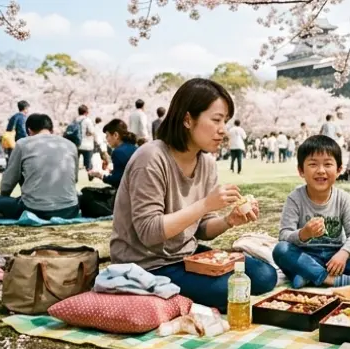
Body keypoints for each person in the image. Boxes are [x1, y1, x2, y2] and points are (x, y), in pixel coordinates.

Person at [110, 78, 276, 312]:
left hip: (186, 257)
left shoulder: (206, 163)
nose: (223, 130)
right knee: (226, 291)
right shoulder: (150, 158)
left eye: (225, 121)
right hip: (147, 264)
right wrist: (205, 204)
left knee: (264, 274)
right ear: (188, 119)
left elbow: (201, 228)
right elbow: (149, 232)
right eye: (216, 120)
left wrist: (229, 220)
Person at [272, 135, 350, 289]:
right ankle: (330, 279)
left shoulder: (343, 198)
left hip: (335, 258)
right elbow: (284, 235)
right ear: (301, 170)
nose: (320, 171)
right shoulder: (295, 198)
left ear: (338, 170)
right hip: (305, 256)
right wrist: (303, 234)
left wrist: (343, 254)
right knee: (281, 250)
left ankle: (309, 276)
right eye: (313, 164)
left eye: (327, 164)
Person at [0, 113, 81, 220]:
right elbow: (74, 179)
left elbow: (8, 182)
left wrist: (4, 196)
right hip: (69, 210)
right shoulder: (70, 145)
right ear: (51, 130)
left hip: (35, 210)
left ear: (29, 131)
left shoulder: (23, 144)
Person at [89, 120, 139, 189]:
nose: (106, 139)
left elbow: (117, 181)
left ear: (115, 135)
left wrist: (100, 175)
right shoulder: (134, 147)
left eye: (107, 136)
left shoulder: (118, 152)